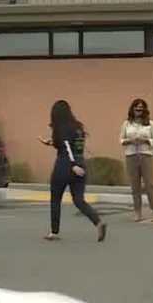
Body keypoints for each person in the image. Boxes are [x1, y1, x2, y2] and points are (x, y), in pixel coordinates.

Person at [38, 100, 106, 242]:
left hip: (65, 165)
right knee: (79, 200)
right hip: (81, 163)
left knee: (56, 198)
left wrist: (72, 165)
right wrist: (50, 142)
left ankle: (54, 232)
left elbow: (67, 147)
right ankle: (98, 221)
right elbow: (71, 145)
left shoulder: (61, 128)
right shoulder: (78, 127)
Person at [121, 98, 153, 222]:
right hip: (131, 155)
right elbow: (121, 140)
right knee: (135, 186)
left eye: (141, 108)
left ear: (144, 110)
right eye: (136, 108)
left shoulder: (150, 124)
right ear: (132, 109)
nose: (138, 110)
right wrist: (130, 141)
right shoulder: (127, 124)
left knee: (150, 184)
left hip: (145, 155)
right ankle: (137, 212)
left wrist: (145, 140)